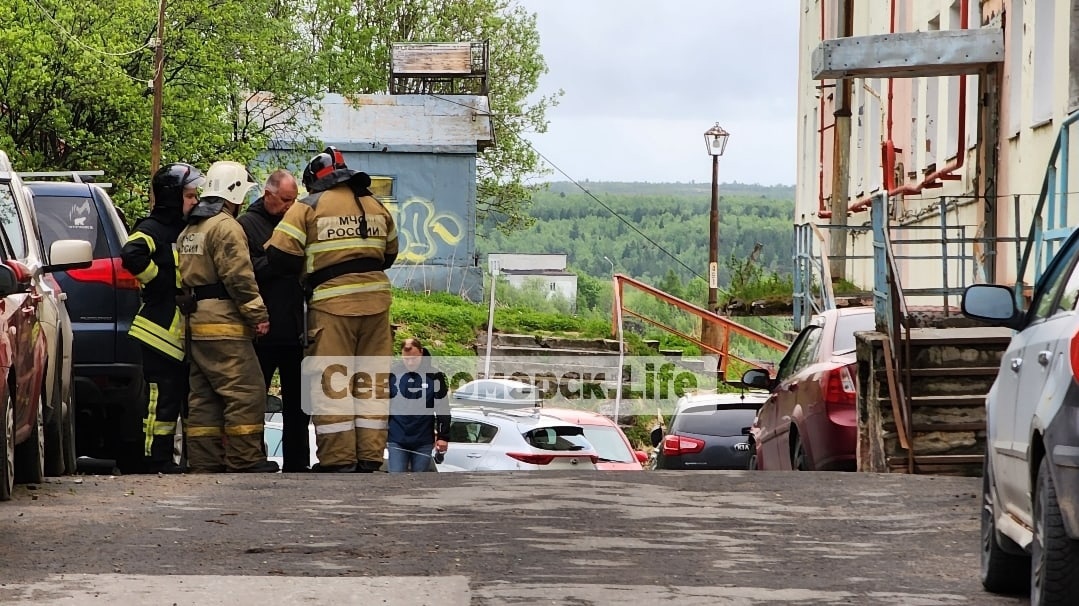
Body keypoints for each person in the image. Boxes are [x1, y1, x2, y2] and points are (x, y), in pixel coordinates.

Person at [265, 146, 398, 473]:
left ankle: (338, 460)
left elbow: (279, 255)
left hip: (332, 306)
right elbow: (390, 255)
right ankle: (369, 456)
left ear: (315, 181)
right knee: (371, 383)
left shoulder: (308, 206)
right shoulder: (377, 205)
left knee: (333, 381)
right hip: (378, 306)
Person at [177, 160, 278, 473]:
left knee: (204, 395)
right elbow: (238, 277)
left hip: (195, 321)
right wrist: (257, 315)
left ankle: (205, 461)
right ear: (233, 192)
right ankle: (245, 459)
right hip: (224, 323)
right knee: (245, 391)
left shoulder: (191, 228)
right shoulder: (226, 227)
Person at [119, 163, 203, 474]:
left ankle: (169, 457)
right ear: (172, 197)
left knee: (176, 396)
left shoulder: (183, 230)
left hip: (175, 330)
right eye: (190, 195)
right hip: (157, 330)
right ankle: (155, 458)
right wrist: (158, 283)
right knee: (161, 398)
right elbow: (131, 254)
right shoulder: (153, 228)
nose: (194, 201)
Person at [237, 170, 309, 472]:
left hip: (293, 330)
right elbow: (247, 270)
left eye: (295, 201)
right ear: (268, 195)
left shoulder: (293, 221)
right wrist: (281, 260)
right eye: (286, 200)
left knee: (298, 405)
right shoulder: (246, 225)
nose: (290, 207)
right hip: (262, 329)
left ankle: (298, 463)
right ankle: (253, 458)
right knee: (255, 399)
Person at [387, 338, 449, 473]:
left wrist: (443, 436)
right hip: (397, 437)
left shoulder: (435, 376)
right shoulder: (393, 374)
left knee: (419, 480)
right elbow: (384, 404)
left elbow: (442, 408)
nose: (410, 362)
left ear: (421, 352)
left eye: (414, 358)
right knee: (396, 478)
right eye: (406, 359)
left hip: (423, 439)